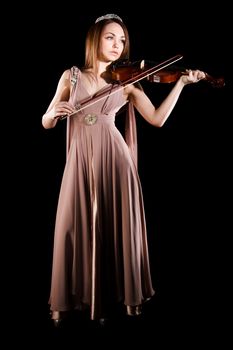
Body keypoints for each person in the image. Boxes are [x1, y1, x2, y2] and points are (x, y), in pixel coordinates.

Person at [42, 13, 205, 326]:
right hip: (81, 162)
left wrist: (181, 84)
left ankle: (126, 299)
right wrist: (52, 113)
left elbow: (157, 119)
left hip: (116, 160)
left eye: (122, 40)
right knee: (72, 225)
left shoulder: (127, 81)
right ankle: (71, 301)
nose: (117, 45)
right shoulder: (71, 76)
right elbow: (47, 121)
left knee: (116, 226)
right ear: (95, 39)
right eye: (110, 37)